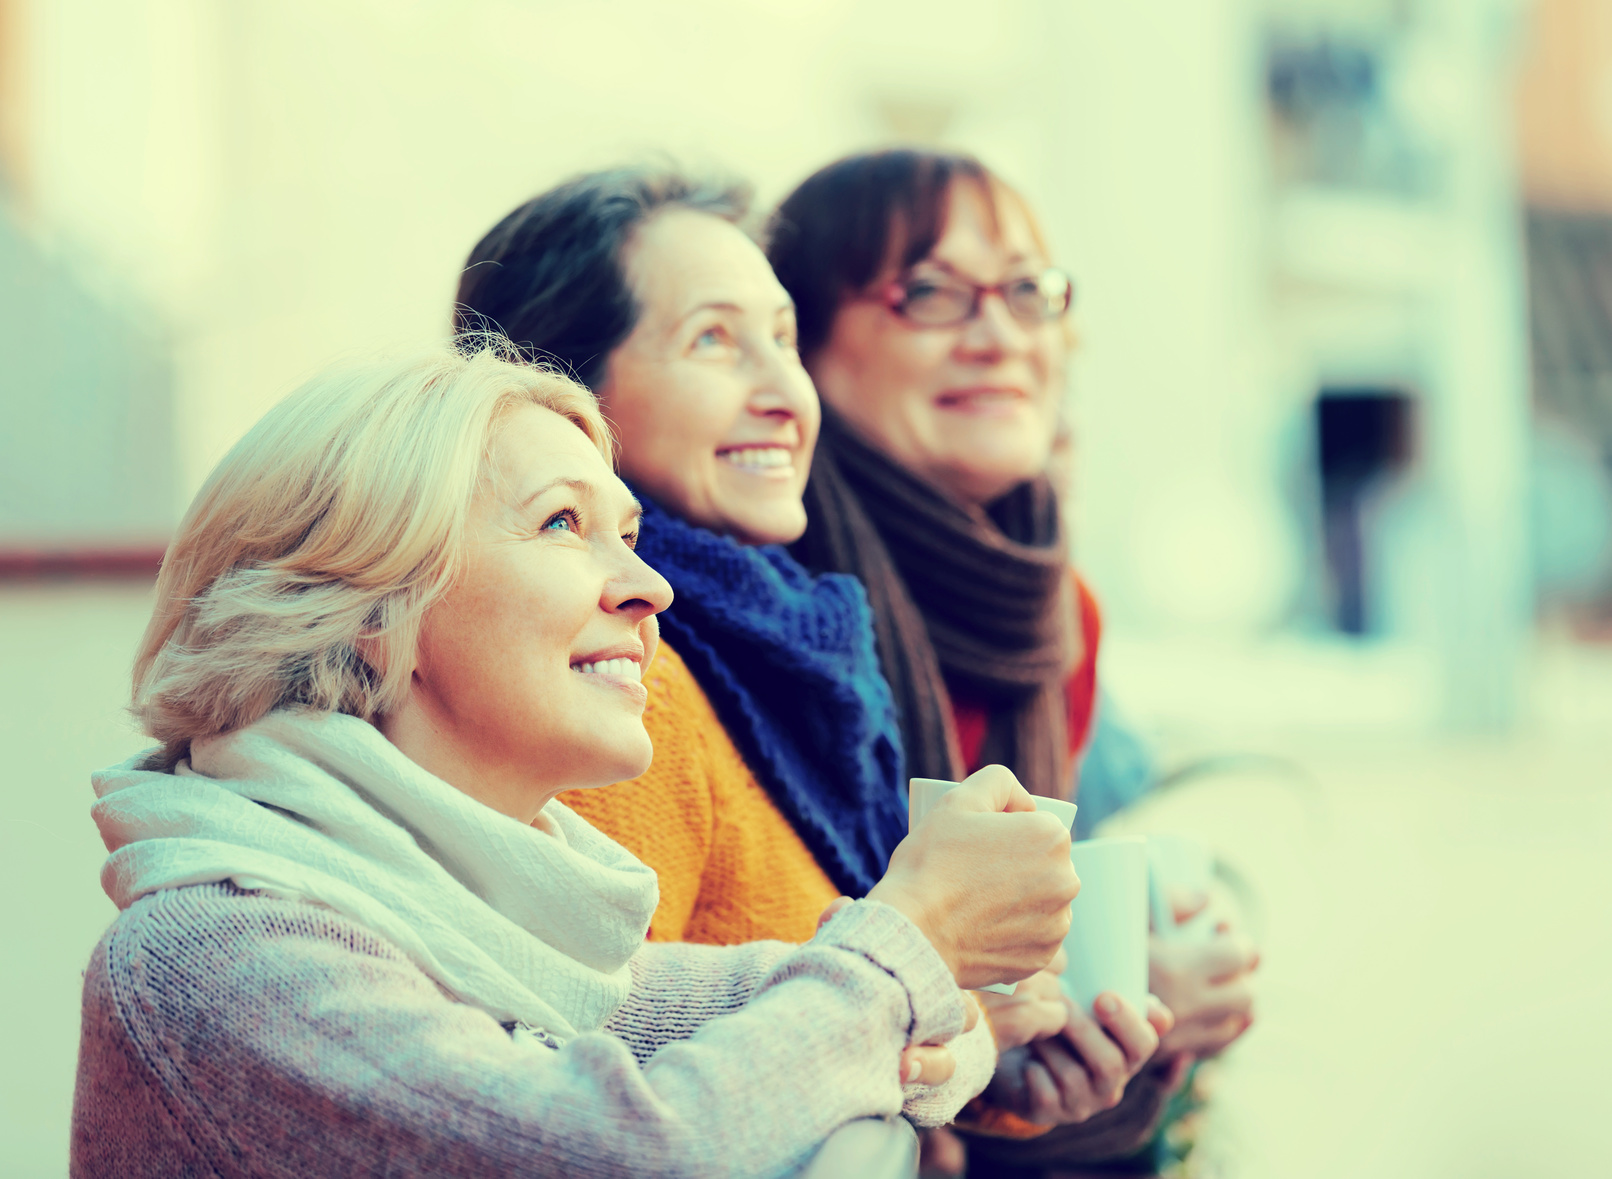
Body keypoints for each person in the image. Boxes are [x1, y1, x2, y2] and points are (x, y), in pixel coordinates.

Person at [69, 343, 1085, 1178]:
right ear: (371, 612)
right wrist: (918, 936)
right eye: (563, 524)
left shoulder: (495, 936)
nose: (651, 586)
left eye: (630, 534)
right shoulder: (215, 955)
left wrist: (973, 1025)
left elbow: (756, 1006)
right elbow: (622, 1152)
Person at [453, 169, 1171, 1149]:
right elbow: (605, 1103)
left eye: (781, 340)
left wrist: (991, 1064)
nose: (782, 393)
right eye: (713, 340)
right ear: (562, 398)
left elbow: (801, 1030)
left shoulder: (793, 652)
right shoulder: (627, 673)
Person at [767, 148, 1261, 1174]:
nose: (997, 337)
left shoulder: (1057, 622)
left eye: (1027, 291)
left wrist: (1144, 998)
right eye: (932, 293)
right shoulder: (761, 608)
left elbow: (1043, 972)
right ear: (802, 348)